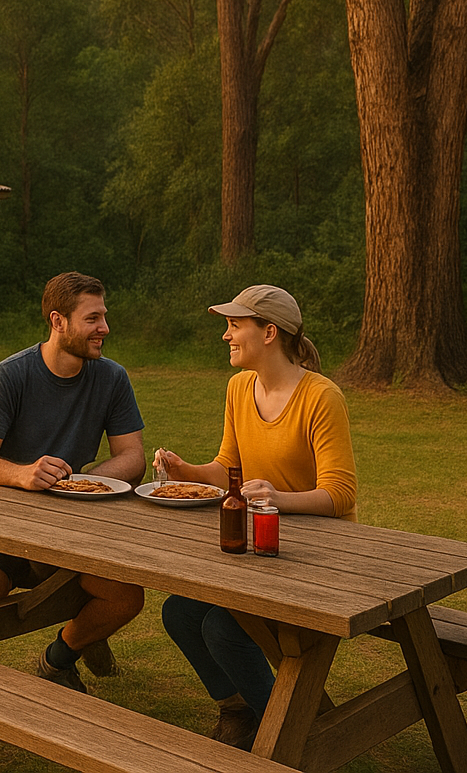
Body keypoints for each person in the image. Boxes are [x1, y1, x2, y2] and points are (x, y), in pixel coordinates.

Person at [157, 284, 357, 750]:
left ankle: (287, 735)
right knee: (180, 614)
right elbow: (229, 467)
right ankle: (239, 709)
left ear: (269, 332)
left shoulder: (321, 397)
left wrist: (275, 498)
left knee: (223, 629)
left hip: (320, 556)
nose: (226, 336)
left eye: (234, 326)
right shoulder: (238, 388)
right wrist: (183, 469)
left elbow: (341, 494)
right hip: (263, 546)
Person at [0, 271, 147, 693]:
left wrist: (80, 481)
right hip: (3, 529)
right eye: (93, 318)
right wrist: (23, 474)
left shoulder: (111, 377)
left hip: (74, 531)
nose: (105, 328)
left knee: (126, 598)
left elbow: (133, 458)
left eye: (104, 316)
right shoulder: (11, 375)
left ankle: (58, 659)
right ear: (58, 321)